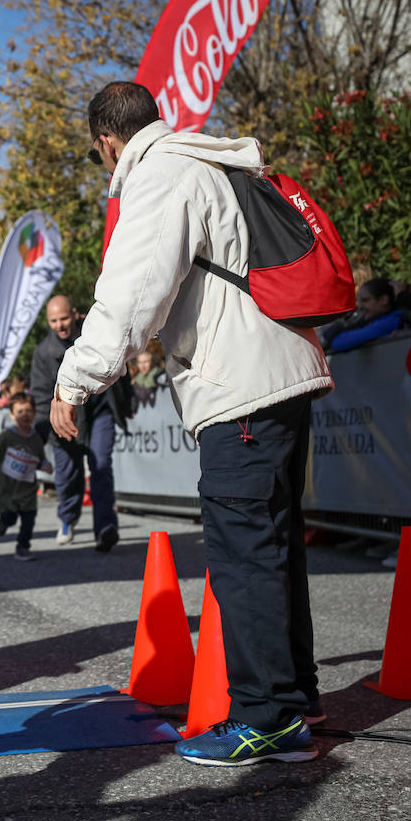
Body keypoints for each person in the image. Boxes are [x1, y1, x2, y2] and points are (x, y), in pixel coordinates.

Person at [52, 80, 332, 765]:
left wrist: (74, 381)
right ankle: (294, 698)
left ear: (106, 142)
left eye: (99, 158)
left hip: (239, 383)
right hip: (282, 365)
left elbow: (128, 298)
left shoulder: (159, 176)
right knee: (275, 541)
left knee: (243, 551)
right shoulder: (215, 160)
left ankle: (267, 716)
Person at [31, 295, 133, 551]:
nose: (60, 324)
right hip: (65, 419)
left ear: (74, 313)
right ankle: (67, 519)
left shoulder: (93, 335)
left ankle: (105, 528)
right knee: (68, 476)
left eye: (64, 318)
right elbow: (42, 395)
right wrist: (46, 429)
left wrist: (126, 403)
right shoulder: (43, 353)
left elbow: (120, 366)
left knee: (100, 465)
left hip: (99, 411)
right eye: (53, 320)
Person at [0, 392, 52, 561]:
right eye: (20, 412)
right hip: (7, 491)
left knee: (29, 521)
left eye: (28, 411)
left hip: (28, 490)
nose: (25, 415)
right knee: (10, 518)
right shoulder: (6, 437)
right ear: (12, 415)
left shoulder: (36, 439)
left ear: (34, 413)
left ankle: (23, 547)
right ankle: (3, 523)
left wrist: (45, 465)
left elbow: (40, 459)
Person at [318, 278, 411, 353]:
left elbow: (339, 342)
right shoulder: (383, 320)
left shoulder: (390, 322)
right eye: (359, 301)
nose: (360, 306)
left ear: (383, 300)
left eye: (365, 300)